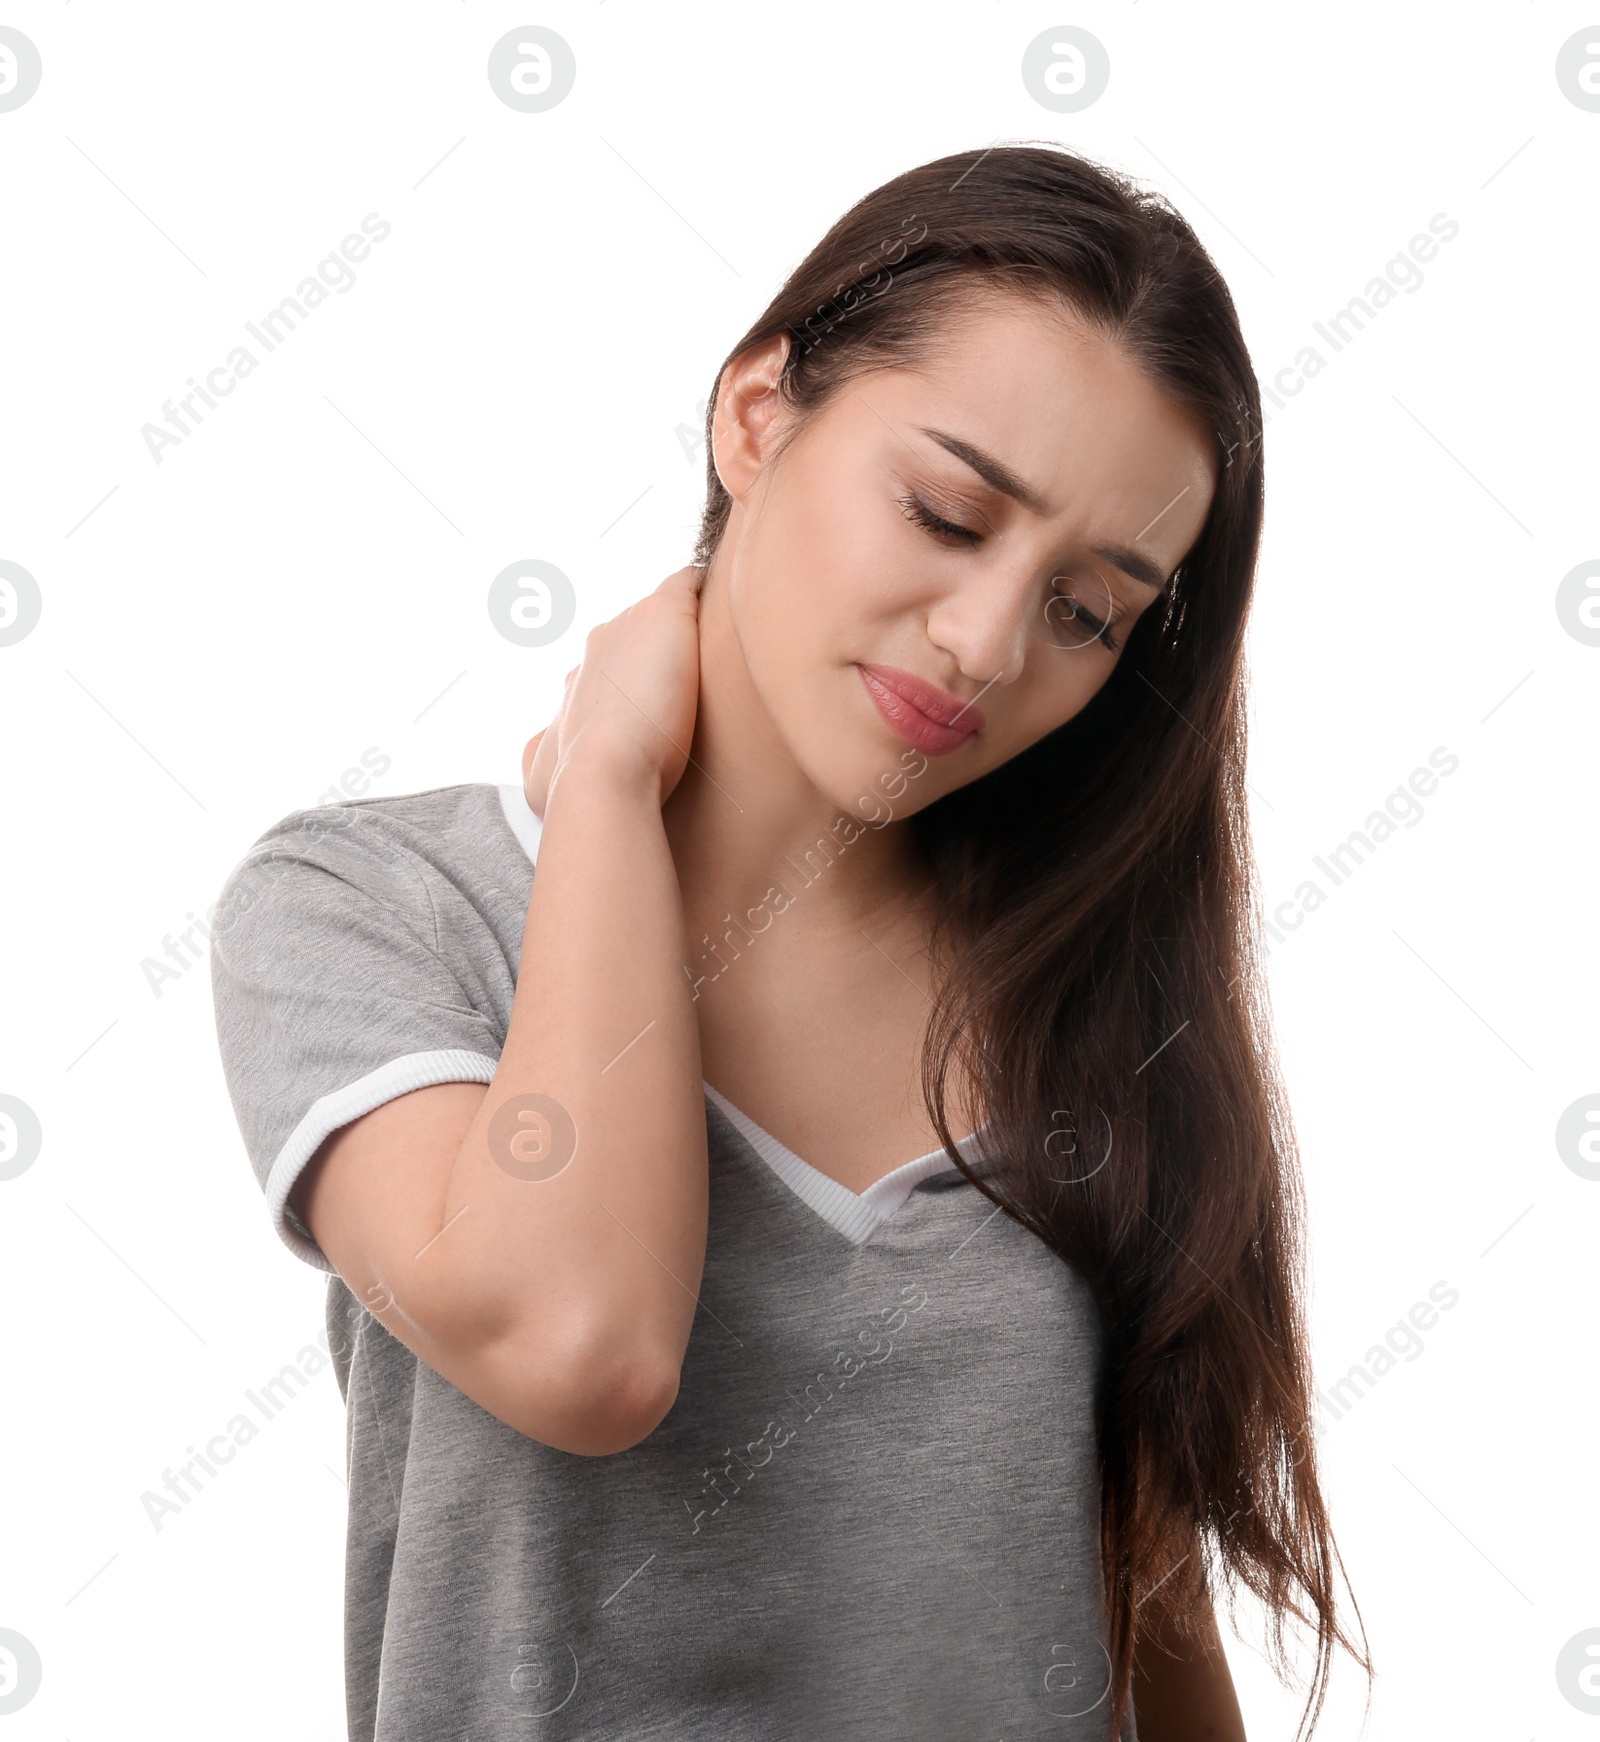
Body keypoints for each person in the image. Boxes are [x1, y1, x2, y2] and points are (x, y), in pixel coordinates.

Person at [210, 142, 1372, 1741]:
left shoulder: (1085, 1012)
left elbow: (1145, 1635)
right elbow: (583, 1340)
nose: (984, 644)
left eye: (1089, 611)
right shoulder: (372, 908)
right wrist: (609, 788)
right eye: (949, 512)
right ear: (757, 412)